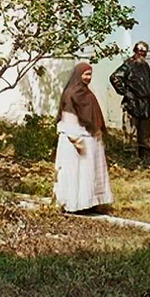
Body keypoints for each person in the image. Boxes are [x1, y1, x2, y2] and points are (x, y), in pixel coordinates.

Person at [54, 62, 114, 212]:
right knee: (78, 172)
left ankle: (91, 202)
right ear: (78, 75)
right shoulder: (71, 94)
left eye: (90, 74)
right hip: (77, 140)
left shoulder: (87, 93)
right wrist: (76, 139)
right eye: (85, 74)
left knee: (91, 171)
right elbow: (68, 118)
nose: (88, 78)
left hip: (91, 138)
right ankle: (76, 204)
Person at [109, 41, 150, 160]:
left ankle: (144, 158)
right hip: (132, 104)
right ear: (135, 51)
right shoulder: (129, 64)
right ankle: (130, 159)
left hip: (144, 104)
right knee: (130, 132)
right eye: (140, 51)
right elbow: (115, 77)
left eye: (145, 52)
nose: (142, 54)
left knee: (145, 132)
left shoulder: (145, 65)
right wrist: (126, 92)